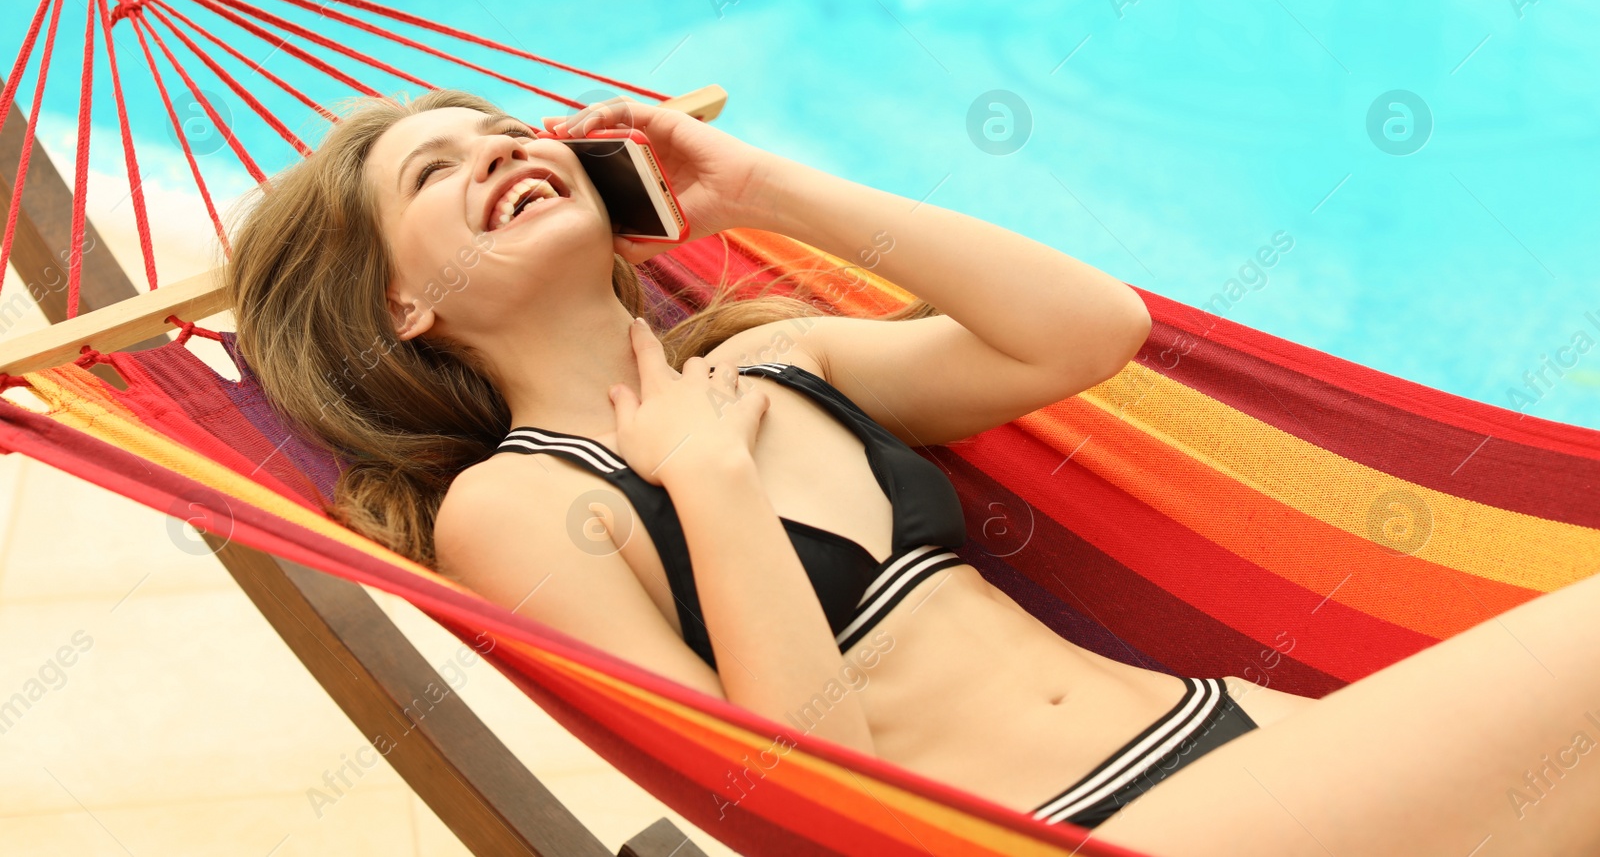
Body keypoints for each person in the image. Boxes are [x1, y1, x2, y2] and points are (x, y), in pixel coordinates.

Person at [228, 88, 1600, 854]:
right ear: (400, 308)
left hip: (1247, 742)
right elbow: (805, 788)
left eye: (504, 133)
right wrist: (705, 482)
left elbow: (1087, 330)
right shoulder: (519, 503)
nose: (504, 154)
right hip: (1088, 831)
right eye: (433, 174)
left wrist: (761, 190)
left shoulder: (780, 361)